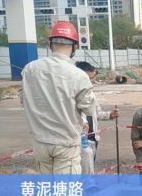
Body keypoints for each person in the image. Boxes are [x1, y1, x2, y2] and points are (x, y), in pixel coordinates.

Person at [21, 21, 96, 174]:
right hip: (65, 144)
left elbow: (24, 100)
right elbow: (89, 108)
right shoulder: (78, 75)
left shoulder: (30, 69)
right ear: (75, 46)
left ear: (51, 44)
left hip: (40, 142)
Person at [76, 61, 120, 173]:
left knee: (89, 169)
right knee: (80, 172)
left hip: (92, 138)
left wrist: (110, 115)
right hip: (79, 140)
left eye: (92, 78)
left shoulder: (90, 94)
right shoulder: (71, 95)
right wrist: (82, 123)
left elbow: (96, 113)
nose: (91, 81)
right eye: (89, 78)